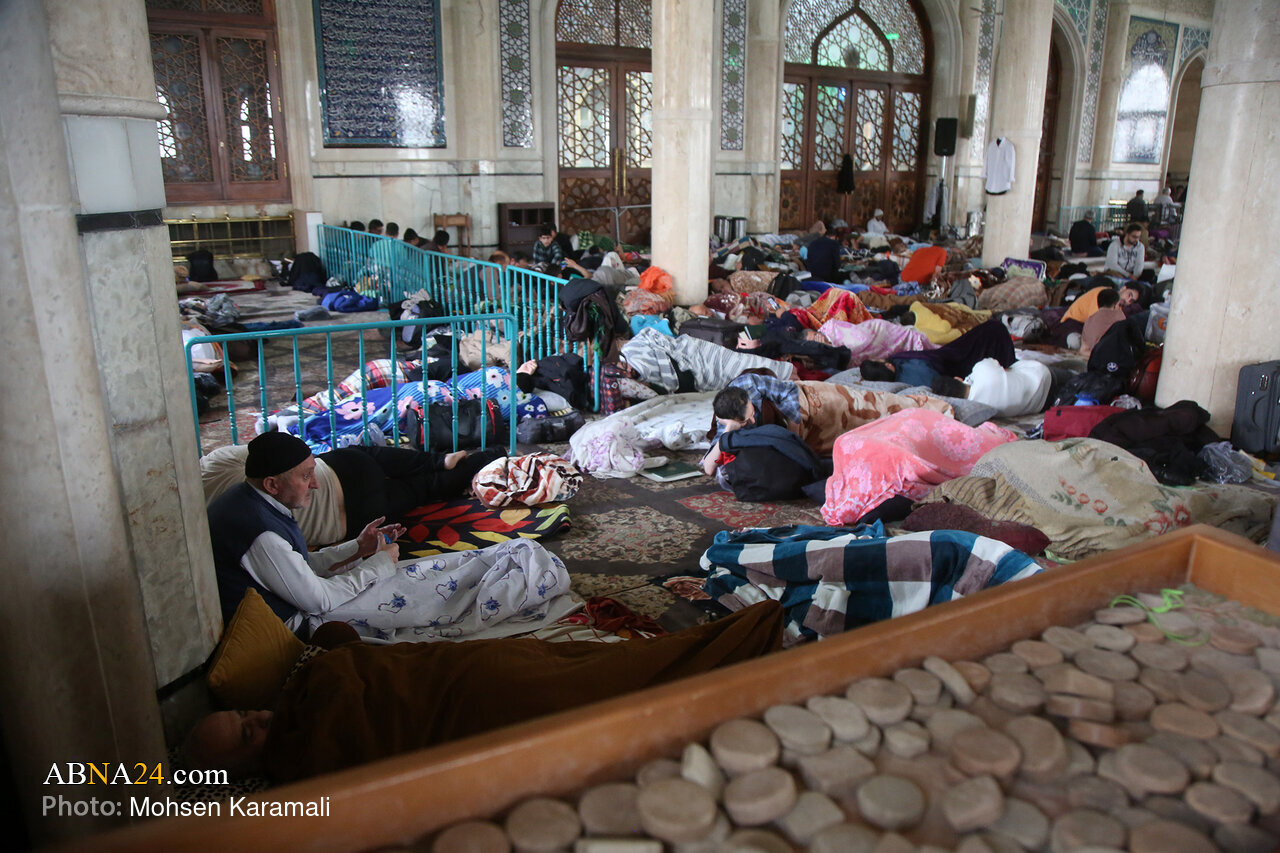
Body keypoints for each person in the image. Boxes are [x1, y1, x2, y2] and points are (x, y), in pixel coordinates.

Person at [183, 600, 784, 783]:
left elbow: (353, 655)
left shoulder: (304, 686)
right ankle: (751, 646)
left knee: (629, 663)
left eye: (244, 713)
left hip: (477, 667)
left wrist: (332, 644)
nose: (258, 718)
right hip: (485, 705)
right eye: (245, 733)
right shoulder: (305, 764)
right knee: (628, 685)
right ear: (241, 769)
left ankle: (746, 643)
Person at [205, 432, 405, 632]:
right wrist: (380, 564)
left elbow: (299, 564)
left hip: (298, 607)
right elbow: (320, 601)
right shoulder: (260, 535)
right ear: (272, 484)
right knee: (407, 600)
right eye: (307, 476)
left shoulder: (247, 497)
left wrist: (358, 547)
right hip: (290, 628)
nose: (316, 484)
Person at [201, 442, 504, 548]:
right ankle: (438, 458)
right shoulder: (217, 462)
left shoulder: (221, 524)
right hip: (344, 469)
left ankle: (485, 459)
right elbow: (279, 452)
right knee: (372, 456)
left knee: (429, 488)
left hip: (358, 516)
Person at [859, 318, 1017, 390]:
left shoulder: (898, 364)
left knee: (988, 332)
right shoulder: (912, 374)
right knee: (993, 330)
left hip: (948, 356)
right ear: (885, 366)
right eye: (880, 361)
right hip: (956, 365)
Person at [1080, 287, 1127, 356]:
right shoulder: (1119, 315)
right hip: (1113, 358)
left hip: (1094, 356)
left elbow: (1083, 350)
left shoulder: (1089, 320)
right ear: (1115, 305)